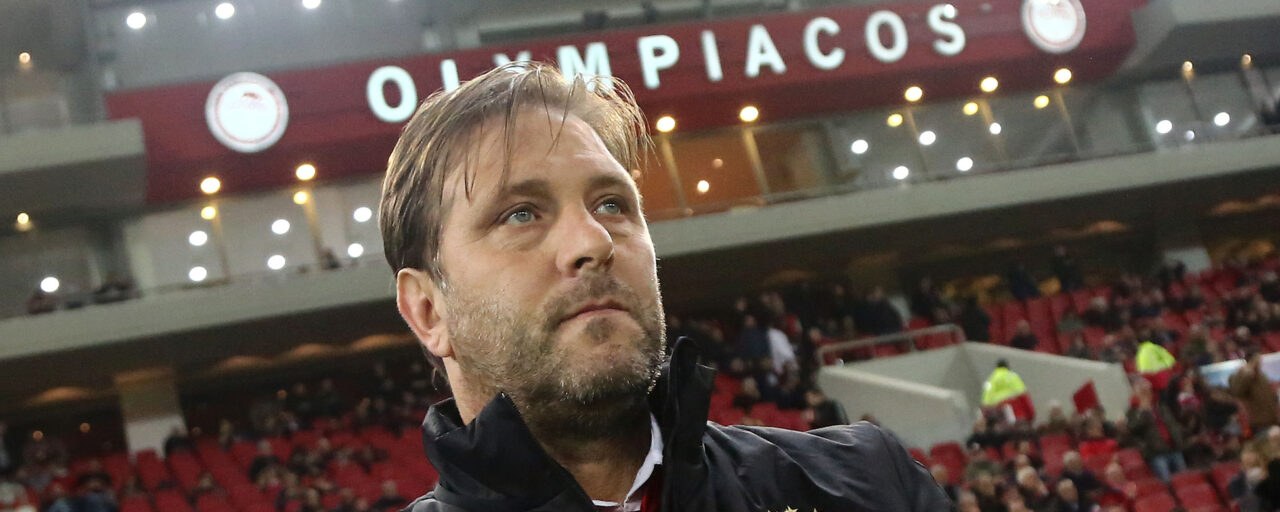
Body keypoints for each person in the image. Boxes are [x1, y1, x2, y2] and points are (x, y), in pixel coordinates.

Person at [379, 62, 947, 511]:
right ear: (428, 310)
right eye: (521, 214)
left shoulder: (871, 484)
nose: (594, 240)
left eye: (611, 204)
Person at [1230, 352, 1280, 435]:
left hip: (1272, 418)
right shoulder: (1241, 375)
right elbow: (1237, 392)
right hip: (1259, 422)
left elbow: (1269, 395)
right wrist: (1247, 373)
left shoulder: (1262, 376)